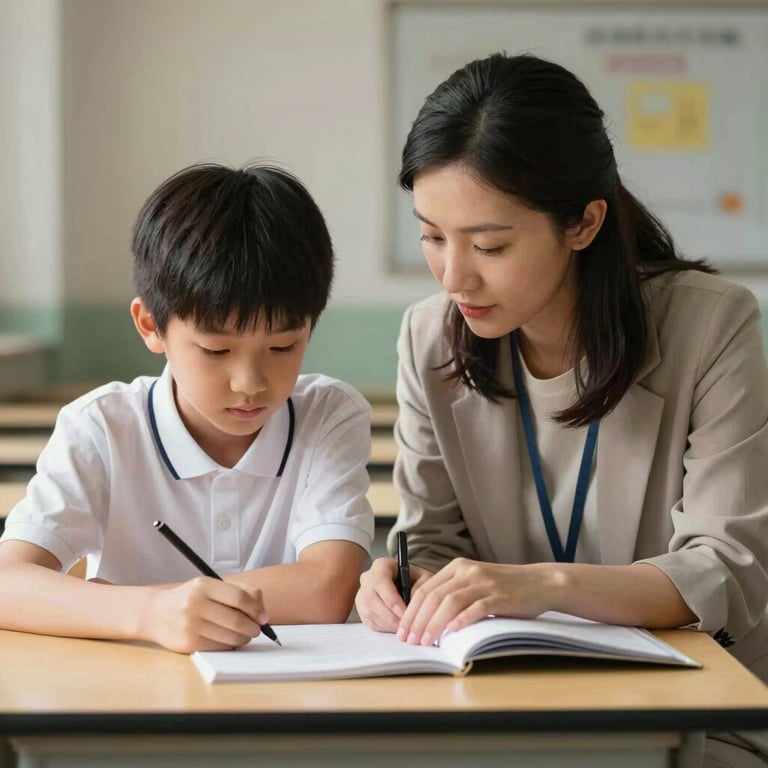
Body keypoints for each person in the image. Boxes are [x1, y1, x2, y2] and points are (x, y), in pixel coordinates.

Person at [355, 53, 768, 766]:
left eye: (489, 244)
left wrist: (537, 586)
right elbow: (432, 542)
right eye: (431, 235)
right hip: (499, 704)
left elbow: (726, 568)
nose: (455, 276)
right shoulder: (430, 338)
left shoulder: (713, 326)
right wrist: (402, 583)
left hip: (691, 711)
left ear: (583, 224)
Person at [0, 162, 374, 653]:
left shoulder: (328, 414)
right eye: (217, 351)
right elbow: (9, 584)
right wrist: (152, 614)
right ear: (151, 325)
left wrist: (103, 600)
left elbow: (326, 591)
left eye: (282, 347)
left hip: (284, 700)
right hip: (127, 701)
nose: (250, 384)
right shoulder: (101, 426)